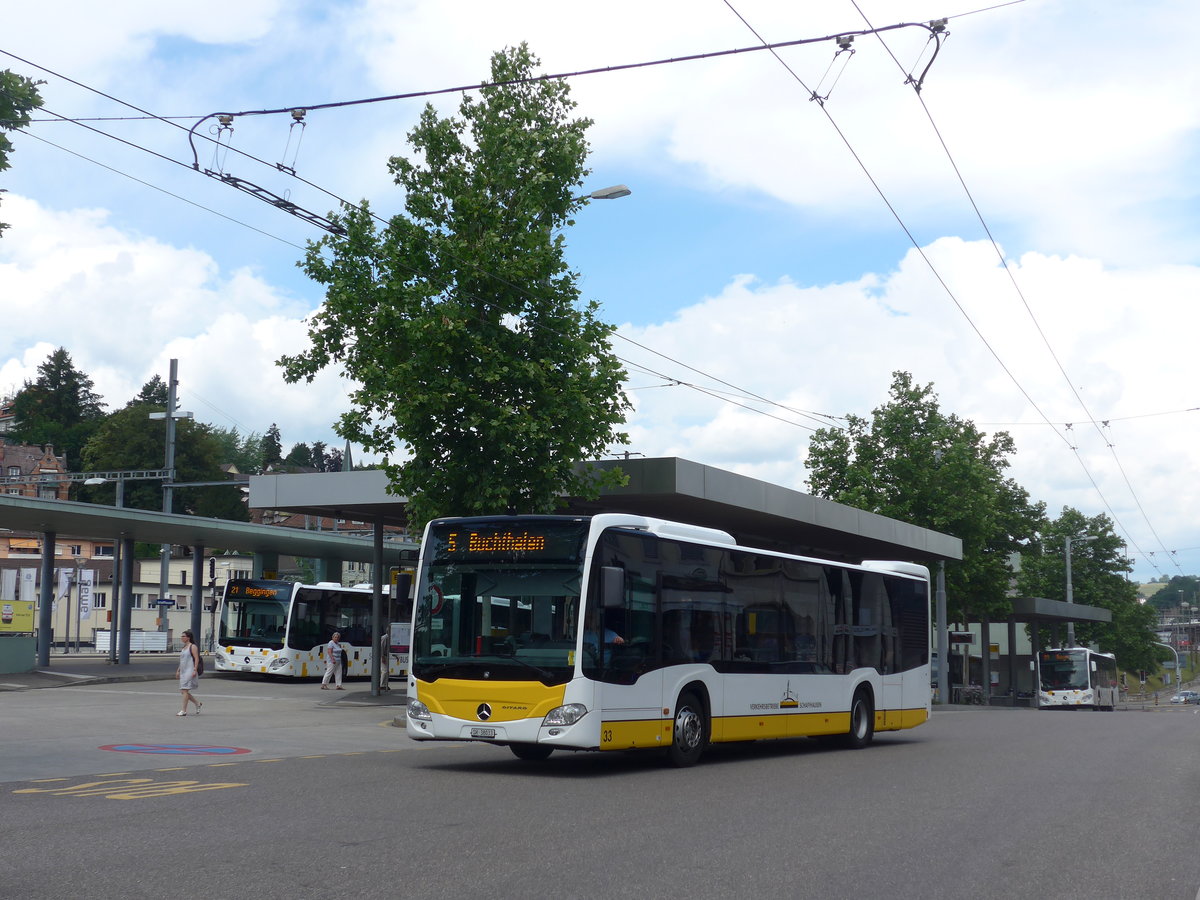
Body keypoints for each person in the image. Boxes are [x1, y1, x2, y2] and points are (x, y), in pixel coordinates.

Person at [175, 629, 203, 717]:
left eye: (183, 636)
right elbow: (182, 661)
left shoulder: (193, 646)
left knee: (185, 690)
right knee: (183, 691)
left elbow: (196, 658)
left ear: (188, 637)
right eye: (181, 636)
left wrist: (195, 669)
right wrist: (178, 670)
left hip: (190, 670)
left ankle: (183, 710)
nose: (181, 638)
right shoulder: (184, 648)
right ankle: (197, 703)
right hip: (183, 671)